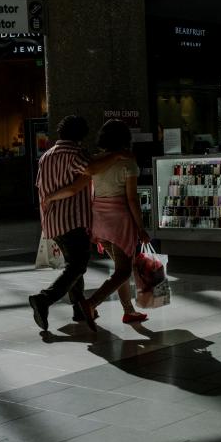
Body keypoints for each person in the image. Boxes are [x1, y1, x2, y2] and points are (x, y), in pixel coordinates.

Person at [44, 119, 151, 327]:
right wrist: (140, 227)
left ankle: (129, 311)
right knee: (123, 271)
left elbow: (78, 187)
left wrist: (51, 197)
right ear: (125, 139)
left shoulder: (95, 162)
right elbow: (131, 199)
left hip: (98, 221)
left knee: (120, 269)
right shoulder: (128, 163)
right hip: (119, 220)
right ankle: (91, 303)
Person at [28, 115, 129, 331]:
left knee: (74, 265)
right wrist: (119, 154)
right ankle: (44, 299)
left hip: (52, 222)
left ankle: (78, 309)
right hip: (72, 220)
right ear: (82, 135)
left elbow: (40, 186)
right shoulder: (76, 153)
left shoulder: (46, 156)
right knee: (78, 265)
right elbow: (91, 170)